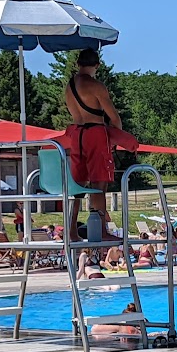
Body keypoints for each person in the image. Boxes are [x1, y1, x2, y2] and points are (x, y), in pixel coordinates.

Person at [63, 48, 139, 242]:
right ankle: (101, 229)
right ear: (97, 65)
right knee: (99, 182)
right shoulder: (96, 86)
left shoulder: (69, 87)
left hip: (76, 134)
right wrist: (115, 139)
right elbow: (114, 118)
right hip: (95, 134)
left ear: (78, 63)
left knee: (77, 186)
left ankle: (71, 230)